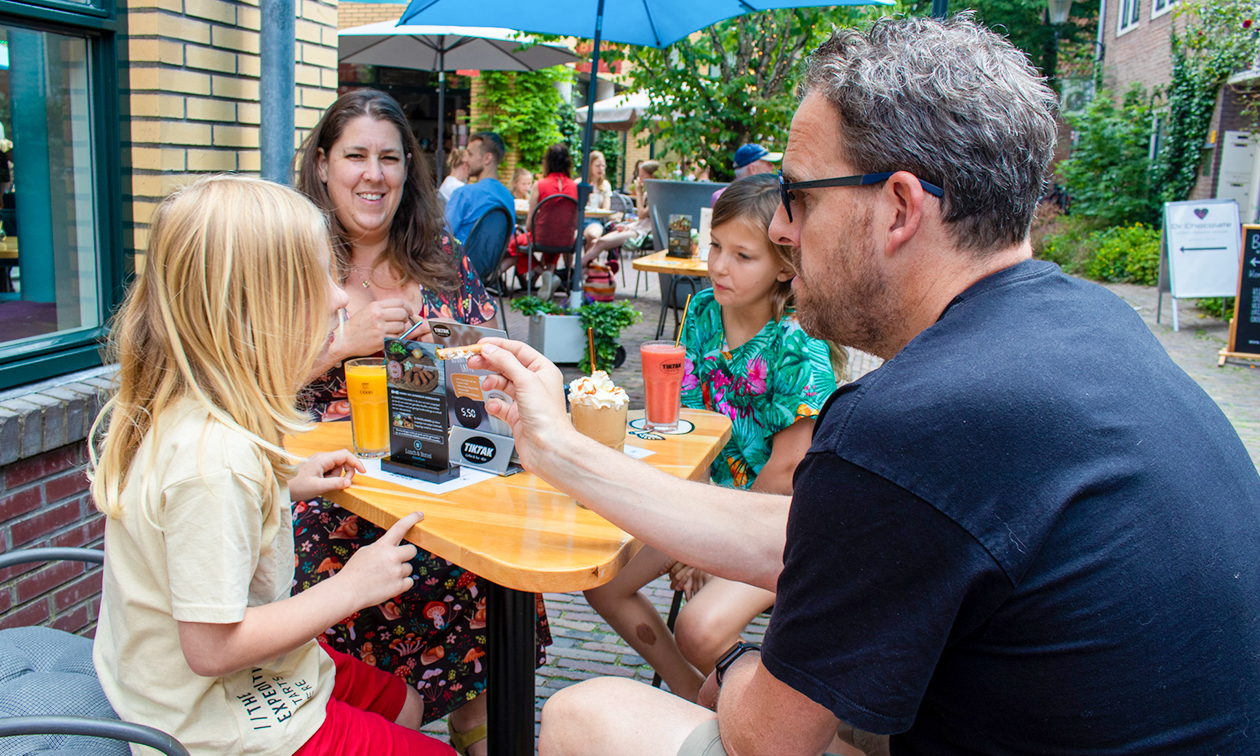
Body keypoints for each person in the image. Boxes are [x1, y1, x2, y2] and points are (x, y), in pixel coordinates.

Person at [470, 15, 1260, 756]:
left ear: (900, 208)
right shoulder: (1089, 321)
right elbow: (816, 533)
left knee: (585, 713)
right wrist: (559, 448)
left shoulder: (912, 420)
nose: (782, 228)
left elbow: (769, 737)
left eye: (800, 197)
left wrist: (735, 663)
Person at [89, 174, 456, 756]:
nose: (341, 298)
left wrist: (282, 485)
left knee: (405, 704)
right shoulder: (216, 461)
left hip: (252, 678)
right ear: (256, 308)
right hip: (218, 721)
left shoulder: (191, 412)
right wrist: (351, 587)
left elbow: (191, 526)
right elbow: (211, 648)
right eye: (319, 280)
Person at [293, 90, 549, 756]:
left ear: (409, 170)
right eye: (355, 156)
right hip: (336, 497)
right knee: (323, 554)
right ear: (323, 165)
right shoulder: (294, 260)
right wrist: (340, 344)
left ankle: (478, 725)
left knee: (491, 562)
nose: (373, 174)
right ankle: (364, 727)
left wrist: (466, 356)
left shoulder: (440, 257)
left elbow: (491, 362)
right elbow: (245, 380)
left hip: (447, 483)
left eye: (390, 158)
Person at [584, 173, 841, 700]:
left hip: (781, 523)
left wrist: (707, 545)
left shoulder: (799, 341)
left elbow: (786, 473)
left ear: (784, 266)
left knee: (699, 628)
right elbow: (687, 425)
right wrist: (689, 524)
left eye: (743, 256)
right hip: (705, 504)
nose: (720, 266)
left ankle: (777, 725)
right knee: (602, 582)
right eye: (716, 246)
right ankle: (693, 694)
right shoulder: (702, 311)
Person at [523, 142, 579, 300]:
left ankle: (545, 274)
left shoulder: (539, 185)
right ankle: (549, 275)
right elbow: (575, 223)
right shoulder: (575, 187)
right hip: (566, 240)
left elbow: (529, 225)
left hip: (542, 238)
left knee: (513, 245)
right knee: (556, 238)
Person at [581, 160, 658, 267]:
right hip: (636, 227)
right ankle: (584, 270)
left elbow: (642, 215)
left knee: (601, 242)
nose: (639, 178)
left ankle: (577, 270)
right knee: (597, 242)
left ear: (652, 176)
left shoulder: (657, 194)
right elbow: (642, 219)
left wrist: (639, 193)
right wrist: (628, 225)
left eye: (642, 175)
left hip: (644, 232)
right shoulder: (647, 193)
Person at [445, 132, 514, 245]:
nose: (466, 160)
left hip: (459, 256)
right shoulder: (509, 199)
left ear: (487, 158)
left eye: (470, 154)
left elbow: (444, 238)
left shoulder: (463, 194)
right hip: (494, 257)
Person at [711, 144, 781, 205]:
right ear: (752, 169)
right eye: (768, 163)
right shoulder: (767, 199)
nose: (773, 167)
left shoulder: (720, 197)